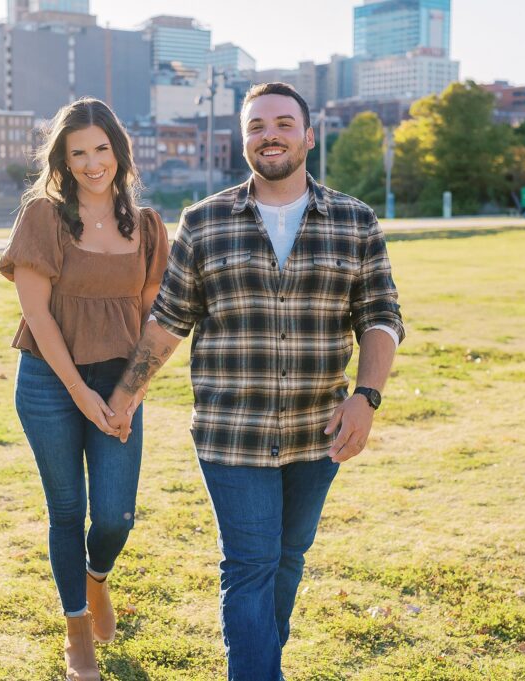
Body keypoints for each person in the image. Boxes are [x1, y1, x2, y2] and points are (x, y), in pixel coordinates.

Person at [106, 83, 404, 680]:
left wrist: (366, 398)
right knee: (249, 565)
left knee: (287, 559)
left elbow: (380, 316)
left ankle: (263, 662)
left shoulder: (355, 221)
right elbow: (169, 321)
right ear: (242, 140)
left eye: (284, 124)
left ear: (308, 136)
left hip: (318, 431)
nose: (270, 135)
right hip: (231, 432)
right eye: (257, 126)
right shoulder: (205, 221)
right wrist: (124, 395)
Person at [0, 97, 169, 681]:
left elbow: (153, 319)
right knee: (67, 510)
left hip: (119, 380)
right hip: (51, 381)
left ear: (119, 151)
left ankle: (97, 578)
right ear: (63, 161)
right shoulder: (43, 218)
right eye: (78, 153)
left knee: (116, 516)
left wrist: (129, 395)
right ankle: (77, 633)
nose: (93, 163)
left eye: (102, 149)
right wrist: (79, 393)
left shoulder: (147, 228)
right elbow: (38, 317)